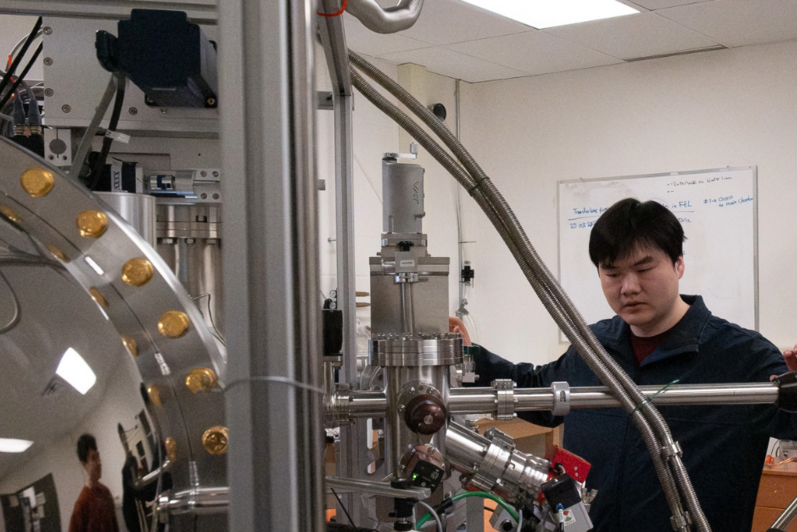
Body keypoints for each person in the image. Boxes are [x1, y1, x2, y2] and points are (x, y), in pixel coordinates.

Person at [450, 198, 797, 532]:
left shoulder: (742, 357)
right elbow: (536, 391)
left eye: (644, 269)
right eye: (612, 273)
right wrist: (466, 355)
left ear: (678, 263)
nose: (628, 287)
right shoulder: (594, 346)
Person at [68, 434, 119, 532]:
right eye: (93, 458)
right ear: (84, 465)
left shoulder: (106, 492)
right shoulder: (81, 505)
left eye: (98, 457)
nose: (98, 462)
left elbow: (115, 526)